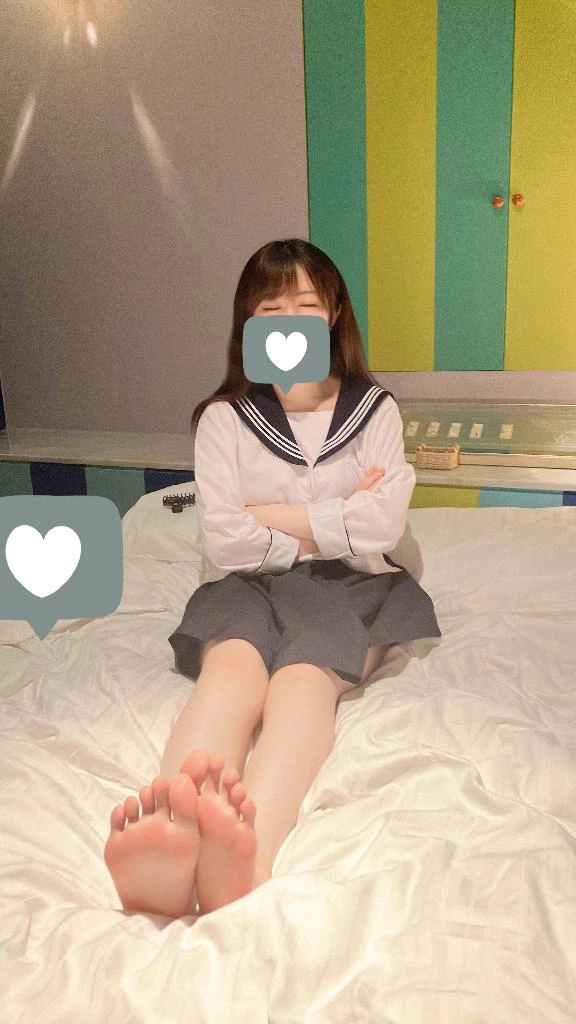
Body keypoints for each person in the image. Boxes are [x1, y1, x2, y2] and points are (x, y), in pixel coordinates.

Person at [104, 238, 441, 920]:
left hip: (354, 582)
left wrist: (269, 514)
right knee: (232, 672)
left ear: (334, 313)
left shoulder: (374, 410)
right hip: (246, 581)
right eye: (271, 308)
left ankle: (247, 856)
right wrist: (337, 514)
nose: (290, 321)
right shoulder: (225, 418)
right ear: (248, 323)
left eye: (307, 305)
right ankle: (174, 831)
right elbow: (226, 539)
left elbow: (379, 530)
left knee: (302, 682)